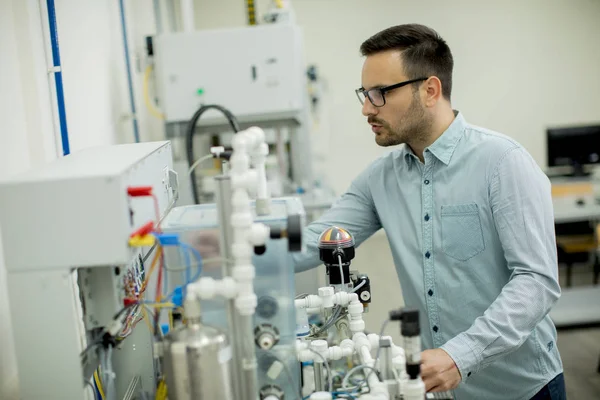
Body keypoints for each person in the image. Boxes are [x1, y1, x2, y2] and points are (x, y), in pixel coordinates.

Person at [292, 24, 566, 400]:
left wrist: (459, 356)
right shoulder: (380, 179)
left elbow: (536, 281)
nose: (366, 108)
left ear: (430, 90)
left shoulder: (503, 162)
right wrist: (233, 243)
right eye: (365, 93)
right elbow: (317, 240)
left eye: (379, 94)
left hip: (521, 389)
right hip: (441, 392)